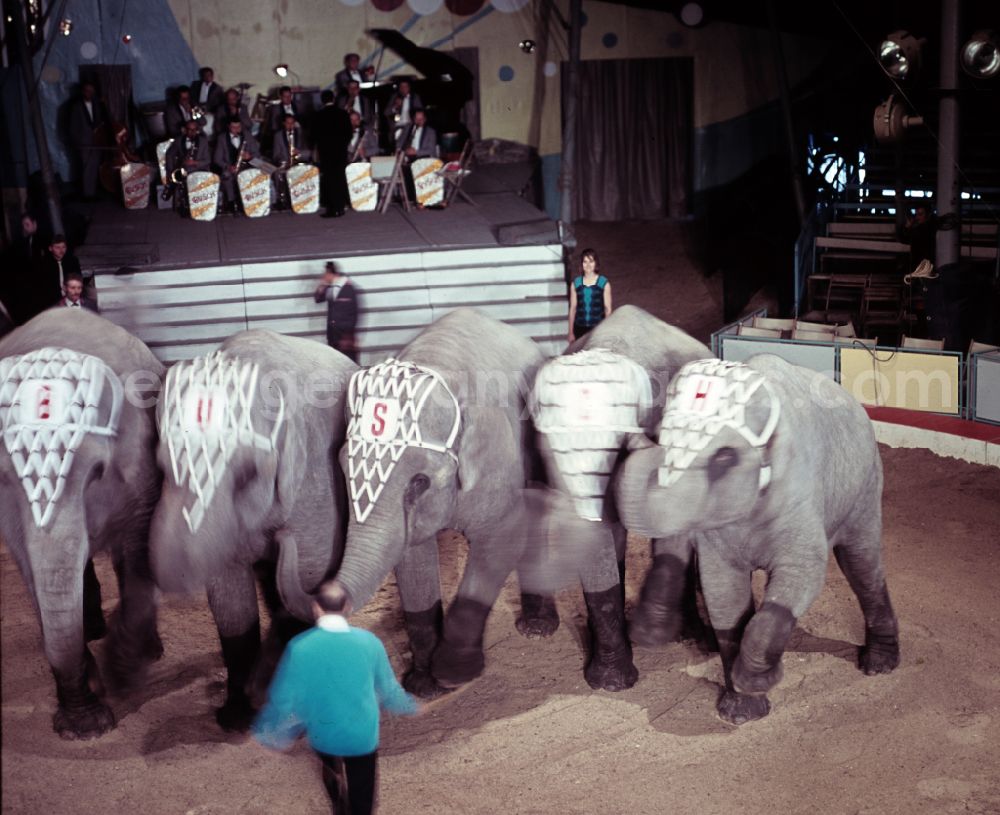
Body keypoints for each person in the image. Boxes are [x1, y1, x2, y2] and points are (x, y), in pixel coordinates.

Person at [253, 583, 419, 815]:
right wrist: (409, 706)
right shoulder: (370, 642)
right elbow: (388, 689)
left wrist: (271, 733)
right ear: (348, 607)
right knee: (363, 789)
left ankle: (337, 796)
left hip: (324, 734)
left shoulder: (300, 647)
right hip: (361, 735)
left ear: (316, 608)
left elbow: (284, 696)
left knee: (330, 767)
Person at [312, 89, 352, 218]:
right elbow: (349, 133)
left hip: (326, 152)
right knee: (340, 178)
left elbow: (314, 136)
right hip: (341, 151)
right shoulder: (343, 114)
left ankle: (332, 208)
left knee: (329, 179)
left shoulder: (318, 115)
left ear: (323, 101)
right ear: (333, 99)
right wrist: (343, 146)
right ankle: (341, 206)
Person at [67, 81, 108, 199]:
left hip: (96, 141)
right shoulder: (76, 106)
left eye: (91, 91)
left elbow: (99, 121)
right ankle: (87, 194)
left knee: (94, 166)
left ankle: (92, 192)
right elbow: (73, 126)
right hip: (84, 142)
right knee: (86, 167)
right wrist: (77, 142)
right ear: (82, 91)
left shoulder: (96, 104)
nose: (89, 93)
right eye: (87, 91)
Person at [314, 262, 360, 362]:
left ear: (330, 273)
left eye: (325, 274)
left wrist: (348, 335)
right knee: (335, 361)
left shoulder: (348, 288)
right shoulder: (331, 288)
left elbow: (354, 312)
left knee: (349, 361)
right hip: (332, 334)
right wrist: (322, 285)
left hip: (345, 336)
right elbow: (318, 299)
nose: (324, 276)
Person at [213, 117, 260, 214]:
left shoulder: (247, 135)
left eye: (238, 127)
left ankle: (249, 202)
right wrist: (228, 167)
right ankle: (231, 203)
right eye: (233, 127)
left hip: (245, 166)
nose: (236, 130)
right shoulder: (222, 138)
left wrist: (249, 156)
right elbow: (217, 159)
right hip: (229, 167)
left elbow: (257, 154)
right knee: (227, 177)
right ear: (229, 127)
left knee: (250, 175)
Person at [567, 248, 612, 342]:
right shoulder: (576, 283)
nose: (588, 265)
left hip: (598, 329)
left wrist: (608, 331)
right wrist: (571, 332)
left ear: (596, 263)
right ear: (581, 264)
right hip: (579, 329)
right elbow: (573, 309)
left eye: (591, 261)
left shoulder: (604, 283)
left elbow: (608, 309)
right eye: (585, 262)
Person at [397, 109, 437, 206]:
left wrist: (416, 152)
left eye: (421, 119)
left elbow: (431, 150)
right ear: (413, 119)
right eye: (417, 119)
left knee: (412, 168)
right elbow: (399, 142)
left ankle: (417, 197)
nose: (419, 121)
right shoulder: (408, 129)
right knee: (402, 168)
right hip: (407, 157)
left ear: (425, 119)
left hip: (423, 157)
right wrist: (401, 149)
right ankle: (409, 197)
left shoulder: (430, 132)